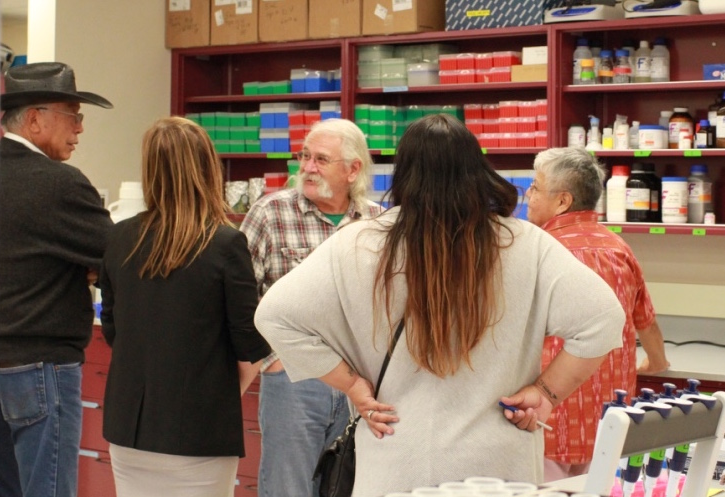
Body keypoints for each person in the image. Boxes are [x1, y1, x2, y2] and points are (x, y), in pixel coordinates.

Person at [253, 114, 626, 496]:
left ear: (404, 174)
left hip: (395, 460)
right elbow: (604, 318)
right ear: (478, 168)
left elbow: (274, 316)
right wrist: (547, 392)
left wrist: (352, 385)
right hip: (498, 467)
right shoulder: (524, 243)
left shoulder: (359, 242)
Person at [98, 117, 272, 497]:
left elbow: (112, 327)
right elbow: (248, 343)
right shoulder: (225, 243)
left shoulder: (119, 235)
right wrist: (223, 390)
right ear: (208, 169)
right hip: (199, 432)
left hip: (130, 427)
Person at [239, 118, 382, 497]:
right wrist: (272, 359)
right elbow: (239, 300)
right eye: (304, 157)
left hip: (359, 385)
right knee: (288, 488)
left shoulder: (375, 221)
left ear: (353, 170)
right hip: (293, 380)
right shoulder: (270, 214)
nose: (307, 168)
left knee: (346, 485)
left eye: (321, 159)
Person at [0, 61, 114, 497]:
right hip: (39, 364)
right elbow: (117, 259)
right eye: (73, 115)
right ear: (34, 119)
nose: (80, 129)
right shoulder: (59, 184)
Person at [525, 147, 671, 482]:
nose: (528, 196)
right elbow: (645, 320)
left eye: (534, 188)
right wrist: (657, 362)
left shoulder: (538, 250)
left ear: (562, 201)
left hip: (548, 418)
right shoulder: (618, 247)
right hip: (608, 423)